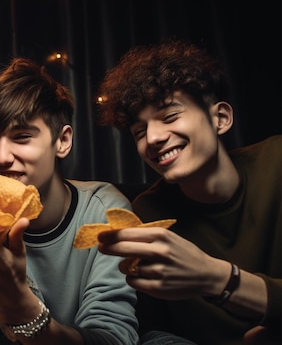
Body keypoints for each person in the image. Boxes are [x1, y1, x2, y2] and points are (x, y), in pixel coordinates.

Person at [0, 57, 139, 345]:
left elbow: (113, 337)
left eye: (21, 137)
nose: (1, 157)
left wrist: (21, 306)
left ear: (63, 141)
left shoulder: (103, 210)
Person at [95, 39, 281, 345]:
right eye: (139, 132)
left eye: (169, 116)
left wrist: (215, 277)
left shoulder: (277, 164)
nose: (153, 137)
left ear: (220, 118)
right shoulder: (146, 214)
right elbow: (151, 330)